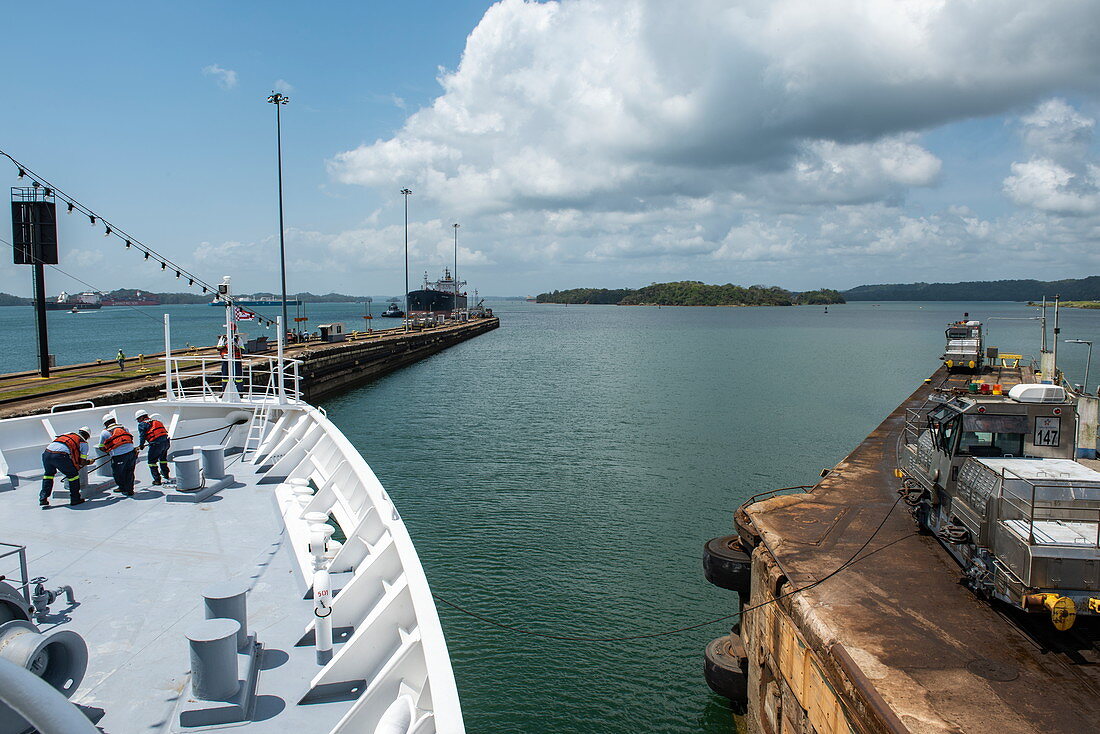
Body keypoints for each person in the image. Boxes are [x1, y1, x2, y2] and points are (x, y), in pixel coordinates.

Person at [40, 427, 92, 508]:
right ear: (87, 436)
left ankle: (43, 497)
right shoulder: (84, 443)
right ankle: (75, 499)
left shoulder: (68, 434)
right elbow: (81, 462)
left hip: (47, 453)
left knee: (48, 475)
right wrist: (89, 462)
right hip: (60, 456)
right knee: (73, 476)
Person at [98, 412, 137, 496]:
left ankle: (122, 488)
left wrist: (108, 452)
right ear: (114, 420)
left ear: (105, 424)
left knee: (118, 473)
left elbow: (101, 447)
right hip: (131, 453)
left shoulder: (105, 433)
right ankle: (130, 490)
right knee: (129, 472)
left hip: (119, 456)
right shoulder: (124, 428)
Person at [136, 410, 172, 485]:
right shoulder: (157, 421)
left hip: (156, 445)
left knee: (151, 462)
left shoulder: (142, 424)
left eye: (138, 419)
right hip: (166, 443)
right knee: (163, 459)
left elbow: (142, 436)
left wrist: (141, 445)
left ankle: (157, 480)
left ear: (142, 417)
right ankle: (166, 474)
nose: (138, 421)